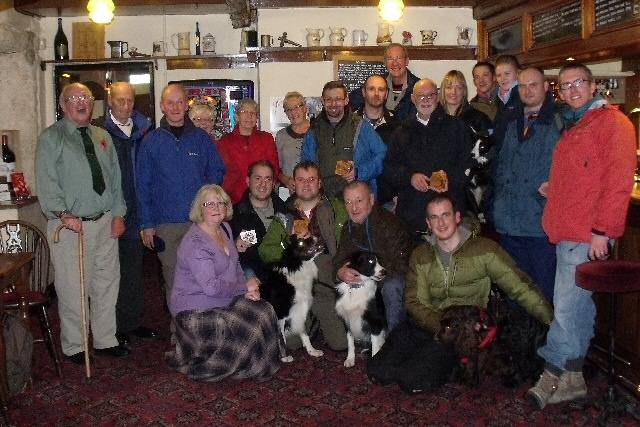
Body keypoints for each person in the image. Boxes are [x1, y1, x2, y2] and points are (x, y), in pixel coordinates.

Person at [527, 63, 637, 409]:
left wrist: (603, 232)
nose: (572, 90)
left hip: (586, 235)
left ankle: (552, 372)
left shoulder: (614, 124)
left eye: (578, 84)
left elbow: (618, 184)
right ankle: (574, 377)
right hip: (566, 230)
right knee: (579, 308)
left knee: (565, 307)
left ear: (593, 86)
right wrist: (554, 188)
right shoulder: (577, 124)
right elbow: (585, 176)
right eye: (565, 86)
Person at [368, 194, 553, 393]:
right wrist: (442, 325)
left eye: (445, 215)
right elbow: (415, 302)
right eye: (434, 217)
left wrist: (553, 321)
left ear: (457, 217)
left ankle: (447, 363)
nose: (441, 222)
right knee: (378, 371)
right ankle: (426, 358)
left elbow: (520, 287)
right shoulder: (421, 254)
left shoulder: (484, 250)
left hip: (462, 333)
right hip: (430, 323)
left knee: (412, 381)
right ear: (428, 223)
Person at [36, 83, 130, 363]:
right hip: (70, 226)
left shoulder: (102, 136)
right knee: (73, 288)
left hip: (104, 223)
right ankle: (76, 345)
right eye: (74, 98)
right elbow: (47, 182)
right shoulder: (51, 138)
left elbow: (115, 181)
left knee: (106, 283)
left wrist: (118, 214)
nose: (81, 103)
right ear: (63, 105)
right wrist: (63, 213)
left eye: (86, 98)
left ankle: (104, 339)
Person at [166, 184, 281, 381]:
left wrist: (245, 289)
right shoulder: (195, 243)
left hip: (223, 299)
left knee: (264, 309)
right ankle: (210, 368)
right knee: (246, 328)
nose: (216, 208)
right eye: (209, 203)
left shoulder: (225, 229)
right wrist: (244, 287)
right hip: (194, 309)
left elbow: (235, 265)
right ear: (199, 209)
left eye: (221, 203)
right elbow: (211, 287)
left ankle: (261, 364)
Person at [136, 83, 225, 303]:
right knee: (175, 280)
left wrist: (208, 206)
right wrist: (147, 224)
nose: (175, 107)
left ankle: (201, 329)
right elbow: (142, 185)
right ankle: (180, 331)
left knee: (204, 276)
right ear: (162, 106)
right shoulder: (151, 141)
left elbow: (216, 171)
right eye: (170, 102)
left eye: (179, 102)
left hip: (199, 223)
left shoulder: (201, 139)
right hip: (166, 225)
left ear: (186, 105)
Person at [93, 81, 158, 346]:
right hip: (109, 213)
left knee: (133, 271)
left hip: (136, 210)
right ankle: (110, 328)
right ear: (110, 101)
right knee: (108, 275)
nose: (126, 106)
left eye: (130, 100)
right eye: (120, 101)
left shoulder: (144, 130)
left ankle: (130, 323)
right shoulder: (98, 131)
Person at [259, 161, 348, 351]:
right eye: (301, 180)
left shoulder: (336, 208)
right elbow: (265, 250)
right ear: (294, 183)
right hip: (298, 287)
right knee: (291, 344)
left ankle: (321, 315)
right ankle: (312, 321)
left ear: (320, 183)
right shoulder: (284, 214)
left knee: (339, 344)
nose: (306, 184)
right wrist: (290, 245)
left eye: (311, 179)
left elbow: (348, 244)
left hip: (326, 283)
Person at [492, 67, 559, 303]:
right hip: (509, 224)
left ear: (546, 86)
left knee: (543, 295)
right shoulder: (511, 122)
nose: (527, 90)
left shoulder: (559, 122)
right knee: (514, 294)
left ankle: (543, 341)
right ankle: (517, 341)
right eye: (522, 86)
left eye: (533, 85)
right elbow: (500, 166)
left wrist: (558, 186)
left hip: (540, 226)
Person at [383, 78, 473, 236]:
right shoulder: (401, 132)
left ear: (437, 96)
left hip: (449, 213)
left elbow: (468, 163)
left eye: (430, 95)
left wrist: (449, 179)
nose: (425, 100)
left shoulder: (457, 127)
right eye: (420, 96)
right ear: (412, 99)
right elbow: (389, 168)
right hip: (413, 215)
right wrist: (409, 177)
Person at [334, 181, 411, 331]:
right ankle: (365, 335)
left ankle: (394, 341)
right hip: (367, 280)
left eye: (359, 200)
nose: (354, 207)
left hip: (390, 278)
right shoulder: (348, 228)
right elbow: (339, 258)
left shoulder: (391, 224)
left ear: (371, 199)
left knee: (392, 287)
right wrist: (340, 272)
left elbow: (401, 265)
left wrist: (369, 275)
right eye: (348, 202)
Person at [301, 80, 386, 199]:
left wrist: (358, 172)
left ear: (346, 100)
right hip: (324, 200)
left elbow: (383, 156)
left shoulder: (361, 127)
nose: (333, 104)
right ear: (322, 101)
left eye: (338, 99)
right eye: (328, 99)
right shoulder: (313, 130)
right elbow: (306, 165)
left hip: (356, 199)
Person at [230, 160, 287, 282]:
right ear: (248, 181)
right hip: (253, 282)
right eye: (257, 178)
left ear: (273, 184)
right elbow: (221, 253)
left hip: (286, 276)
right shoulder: (233, 215)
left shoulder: (285, 210)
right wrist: (233, 246)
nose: (263, 184)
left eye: (268, 179)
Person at [217, 98, 280, 204]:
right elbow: (222, 172)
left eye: (253, 113)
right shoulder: (225, 141)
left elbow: (274, 168)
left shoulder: (266, 138)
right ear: (237, 116)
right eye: (244, 112)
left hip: (263, 197)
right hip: (234, 200)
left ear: (256, 117)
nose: (249, 116)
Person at [352, 75, 401, 205]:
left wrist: (399, 193)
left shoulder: (398, 125)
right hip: (355, 200)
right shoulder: (350, 123)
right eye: (371, 89)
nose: (376, 93)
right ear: (363, 92)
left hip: (388, 199)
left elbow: (402, 161)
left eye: (381, 89)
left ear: (386, 94)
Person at [349, 43, 420, 120]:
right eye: (390, 59)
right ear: (385, 62)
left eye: (399, 58)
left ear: (406, 61)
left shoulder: (419, 88)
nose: (395, 63)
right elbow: (352, 101)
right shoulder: (376, 83)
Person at [275, 91, 310, 196]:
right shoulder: (281, 136)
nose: (293, 112)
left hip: (313, 192)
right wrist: (286, 180)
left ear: (305, 108)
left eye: (297, 107)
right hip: (288, 192)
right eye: (289, 109)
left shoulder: (317, 131)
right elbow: (276, 168)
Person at [493, 55, 523, 145]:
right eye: (499, 75)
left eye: (507, 74)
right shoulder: (500, 99)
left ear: (517, 74)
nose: (503, 78)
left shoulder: (524, 96)